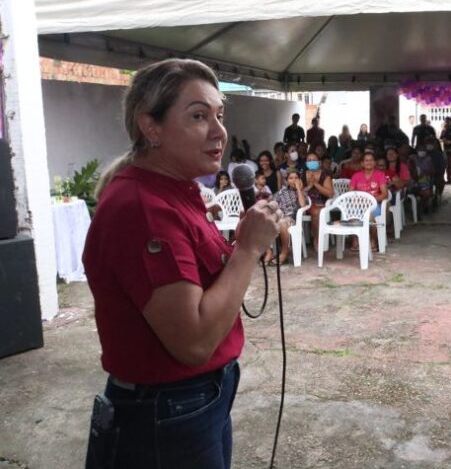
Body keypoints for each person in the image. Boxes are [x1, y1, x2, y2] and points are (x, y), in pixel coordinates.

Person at [82, 59, 285, 468]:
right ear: (150, 127)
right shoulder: (143, 208)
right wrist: (246, 251)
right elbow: (193, 342)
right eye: (198, 116)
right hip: (169, 410)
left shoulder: (174, 192)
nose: (219, 131)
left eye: (219, 115)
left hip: (196, 401)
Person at [267, 168, 308, 266]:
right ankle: (269, 252)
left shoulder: (302, 192)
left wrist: (298, 188)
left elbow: (302, 205)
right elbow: (272, 202)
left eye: (296, 178)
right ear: (287, 180)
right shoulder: (282, 191)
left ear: (299, 179)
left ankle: (284, 252)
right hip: (280, 215)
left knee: (282, 223)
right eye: (291, 178)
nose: (293, 180)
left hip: (292, 218)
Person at [349, 152, 389, 251]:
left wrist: (371, 201)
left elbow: (385, 194)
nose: (369, 162)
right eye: (366, 160)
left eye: (371, 160)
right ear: (362, 163)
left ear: (375, 162)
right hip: (359, 205)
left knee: (370, 217)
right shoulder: (356, 176)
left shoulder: (380, 175)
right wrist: (359, 202)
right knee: (353, 215)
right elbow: (350, 193)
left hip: (374, 205)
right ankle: (356, 238)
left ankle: (373, 239)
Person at [302, 152, 334, 252]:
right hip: (305, 204)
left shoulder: (325, 176)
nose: (312, 162)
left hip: (321, 203)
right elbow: (298, 191)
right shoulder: (302, 175)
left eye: (314, 160)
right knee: (314, 210)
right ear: (306, 163)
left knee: (317, 212)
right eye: (309, 160)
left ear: (319, 162)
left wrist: (316, 184)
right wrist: (309, 186)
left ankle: (317, 239)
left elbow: (330, 194)